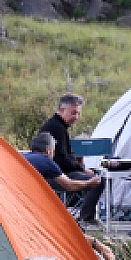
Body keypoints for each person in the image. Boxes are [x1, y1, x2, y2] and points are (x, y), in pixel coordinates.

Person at [39, 93, 102, 222]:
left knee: (93, 176)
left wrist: (81, 168)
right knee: (97, 181)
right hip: (54, 175)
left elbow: (67, 156)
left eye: (78, 113)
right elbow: (62, 160)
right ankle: (87, 218)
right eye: (73, 113)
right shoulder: (56, 128)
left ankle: (84, 215)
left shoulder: (58, 126)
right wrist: (82, 170)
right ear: (62, 110)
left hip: (59, 171)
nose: (76, 117)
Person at [22, 132, 104, 205]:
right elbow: (70, 185)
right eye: (54, 151)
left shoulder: (23, 157)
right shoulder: (46, 161)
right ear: (49, 151)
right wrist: (89, 182)